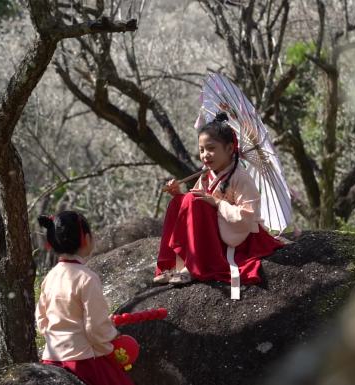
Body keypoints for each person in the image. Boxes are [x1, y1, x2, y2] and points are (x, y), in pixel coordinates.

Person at [154, 112, 283, 286]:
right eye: (201, 150)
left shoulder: (241, 177)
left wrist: (217, 203)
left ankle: (194, 266)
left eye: (211, 148)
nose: (205, 155)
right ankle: (174, 265)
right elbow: (193, 204)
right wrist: (178, 194)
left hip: (239, 236)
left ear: (230, 149)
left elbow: (246, 217)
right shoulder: (207, 173)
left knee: (193, 199)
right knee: (180, 201)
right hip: (217, 230)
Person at [36, 211, 134, 385]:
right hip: (83, 361)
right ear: (86, 239)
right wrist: (112, 339)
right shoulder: (87, 278)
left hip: (51, 358)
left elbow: (42, 320)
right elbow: (95, 328)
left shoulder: (49, 277)